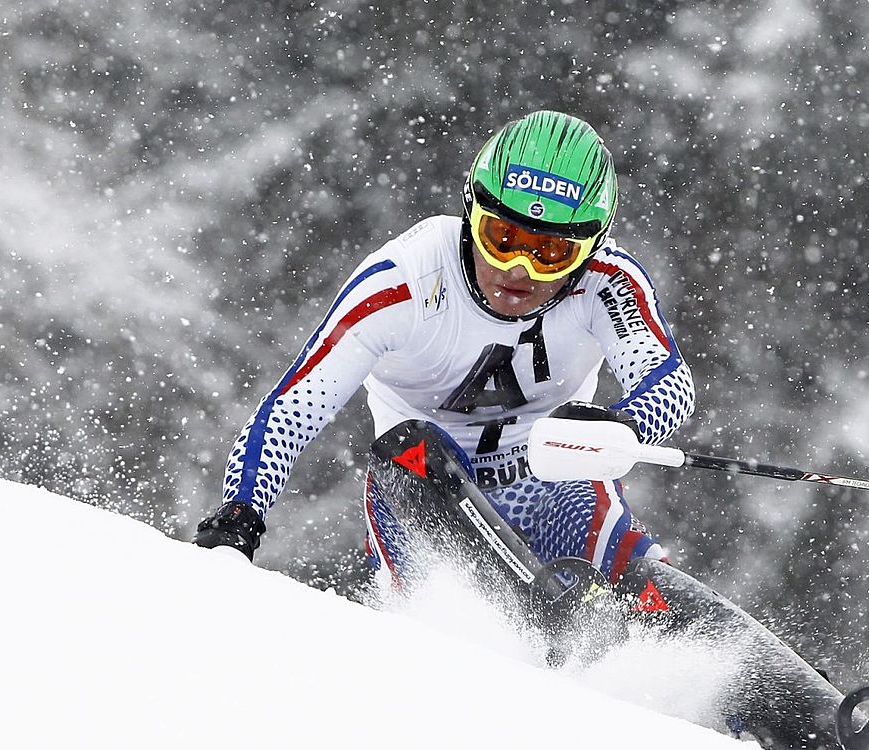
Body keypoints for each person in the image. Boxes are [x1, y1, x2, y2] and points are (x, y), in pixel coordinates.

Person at [195, 110, 695, 592]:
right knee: (415, 449)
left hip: (547, 484)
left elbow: (669, 381)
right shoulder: (404, 279)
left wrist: (625, 426)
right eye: (502, 238)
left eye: (551, 253)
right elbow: (291, 410)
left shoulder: (608, 282)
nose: (519, 269)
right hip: (424, 494)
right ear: (469, 215)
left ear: (590, 248)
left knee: (582, 491)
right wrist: (241, 516)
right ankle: (468, 615)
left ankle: (654, 621)